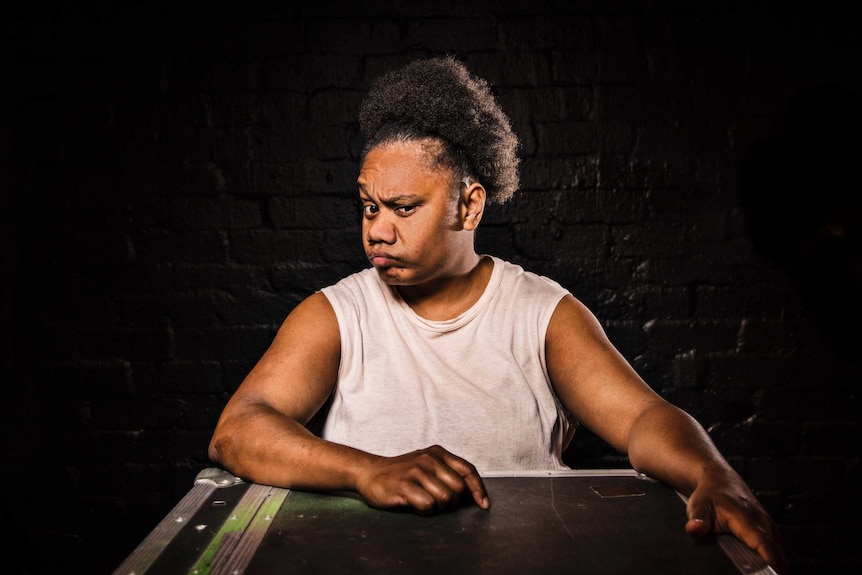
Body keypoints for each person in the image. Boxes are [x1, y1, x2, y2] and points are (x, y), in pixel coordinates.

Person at [208, 56, 786, 573]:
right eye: (369, 206)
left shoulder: (542, 314)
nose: (377, 230)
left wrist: (712, 472)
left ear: (470, 204)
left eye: (404, 208)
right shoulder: (336, 314)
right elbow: (238, 430)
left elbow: (642, 420)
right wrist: (366, 470)